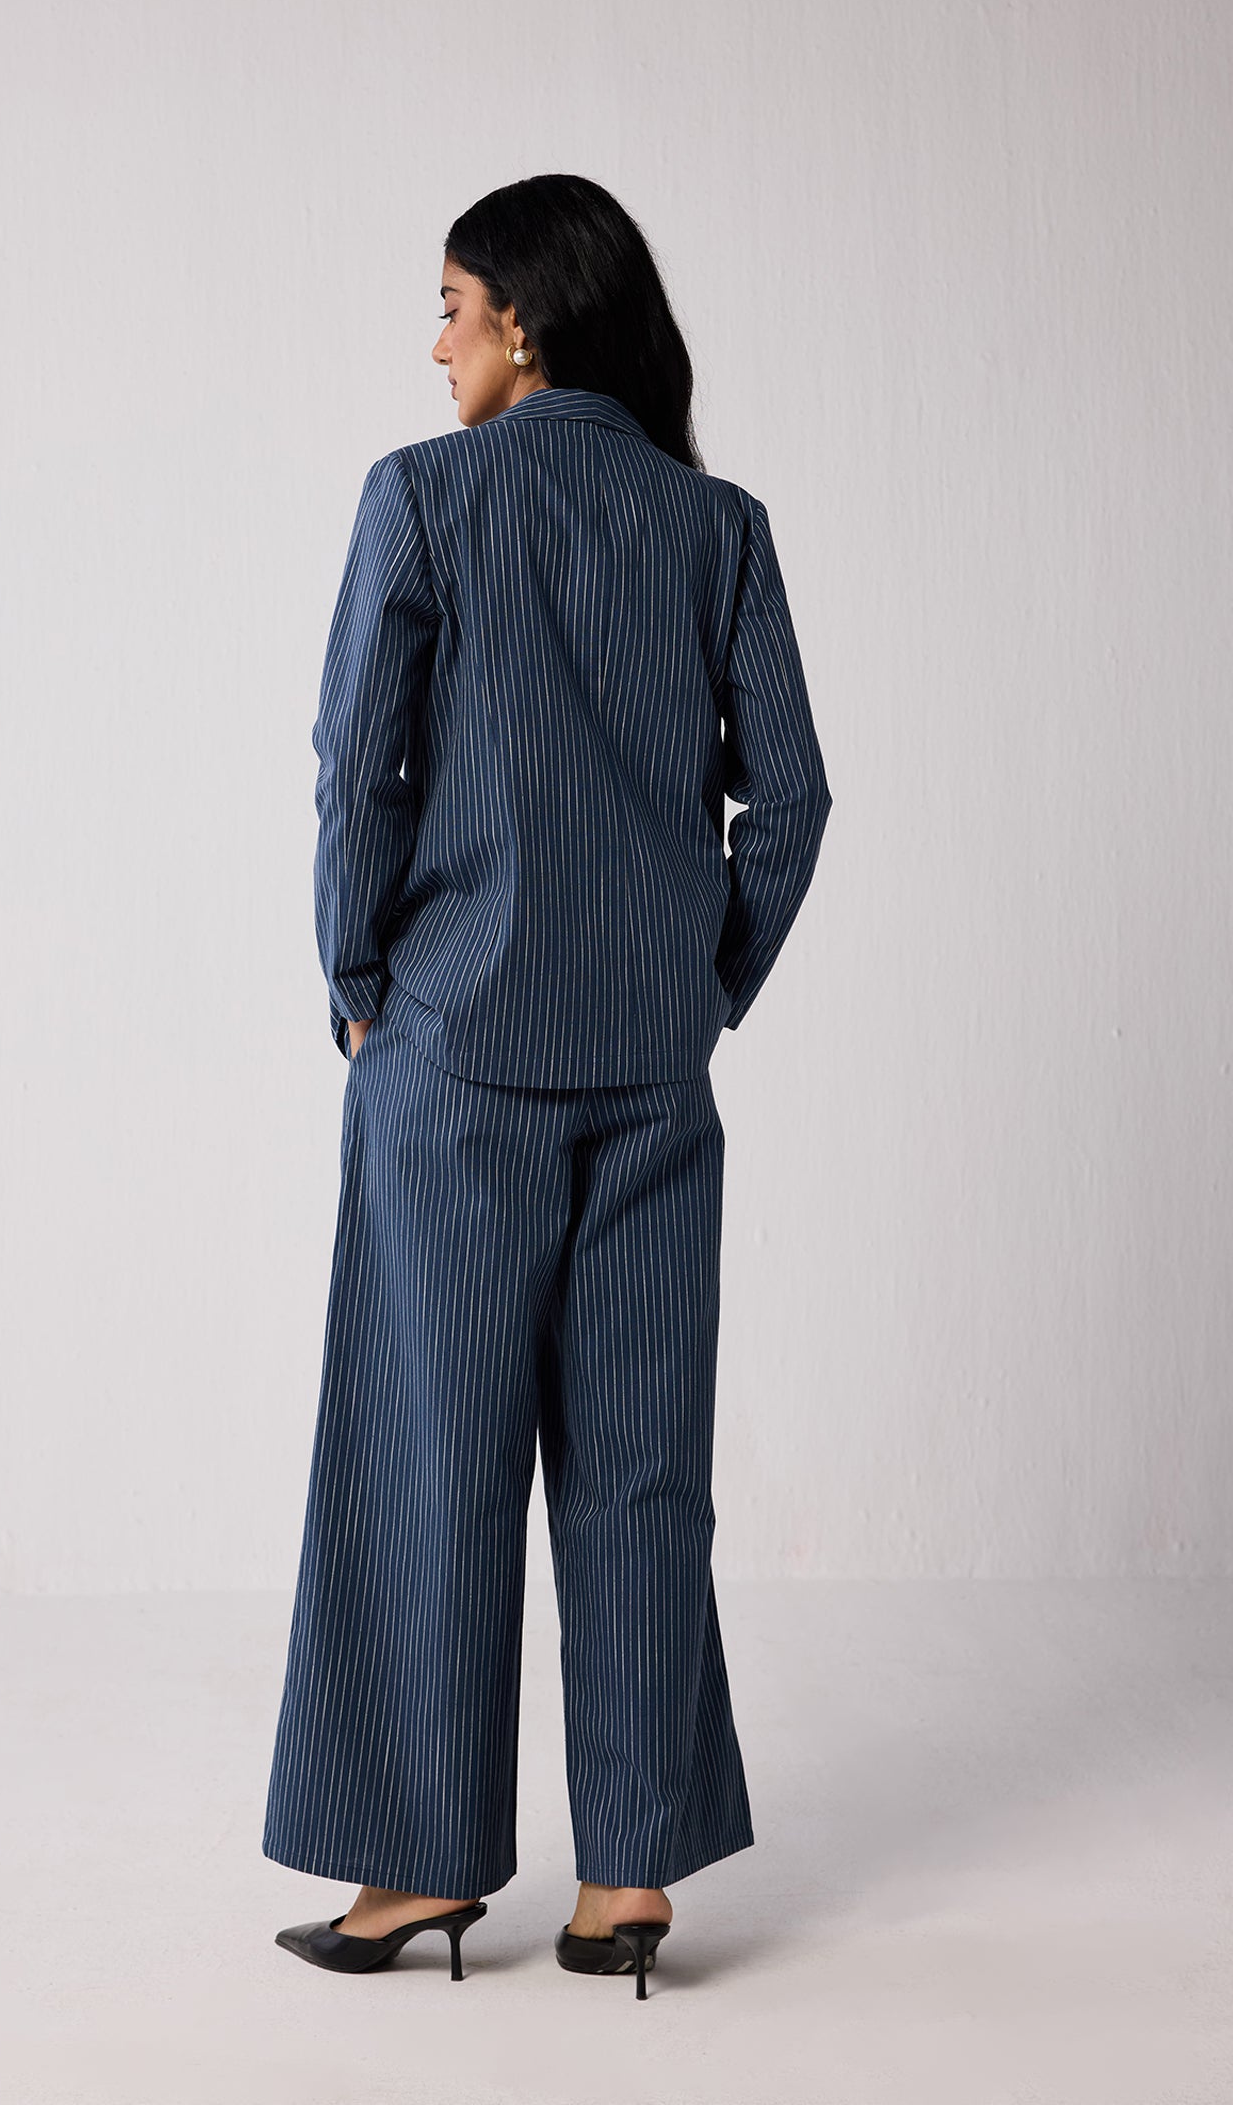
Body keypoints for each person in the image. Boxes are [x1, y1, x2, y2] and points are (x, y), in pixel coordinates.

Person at [263, 173, 832, 1998]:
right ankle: (631, 1881)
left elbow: (362, 766)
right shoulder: (716, 523)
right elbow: (795, 801)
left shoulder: (423, 500)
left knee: (430, 1462)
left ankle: (420, 1871)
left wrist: (359, 979)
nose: (434, 344)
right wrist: (705, 985)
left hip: (457, 1065)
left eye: (449, 304)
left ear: (524, 316)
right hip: (650, 1072)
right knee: (645, 1475)